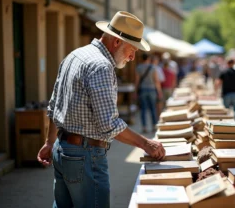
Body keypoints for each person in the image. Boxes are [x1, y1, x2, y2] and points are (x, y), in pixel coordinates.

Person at [36, 11, 165, 208]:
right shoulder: (102, 66)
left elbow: (54, 106)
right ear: (116, 42)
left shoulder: (75, 55)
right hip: (84, 155)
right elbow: (109, 124)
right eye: (132, 49)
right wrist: (147, 144)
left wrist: (49, 142)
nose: (132, 57)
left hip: (62, 149)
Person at [136, 53, 163, 133]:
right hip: (152, 90)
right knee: (152, 108)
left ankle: (144, 127)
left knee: (143, 109)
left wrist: (135, 91)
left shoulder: (138, 67)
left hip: (143, 89)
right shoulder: (153, 68)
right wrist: (159, 91)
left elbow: (137, 81)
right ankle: (154, 125)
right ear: (148, 59)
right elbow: (156, 81)